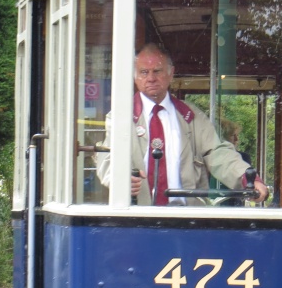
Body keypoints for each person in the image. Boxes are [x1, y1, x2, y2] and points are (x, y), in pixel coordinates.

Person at [97, 44, 269, 206]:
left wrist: (247, 179)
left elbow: (218, 152)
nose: (150, 78)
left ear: (171, 73)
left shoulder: (192, 116)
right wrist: (120, 180)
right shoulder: (120, 118)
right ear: (135, 77)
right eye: (144, 72)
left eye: (157, 71)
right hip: (137, 220)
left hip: (187, 220)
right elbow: (108, 157)